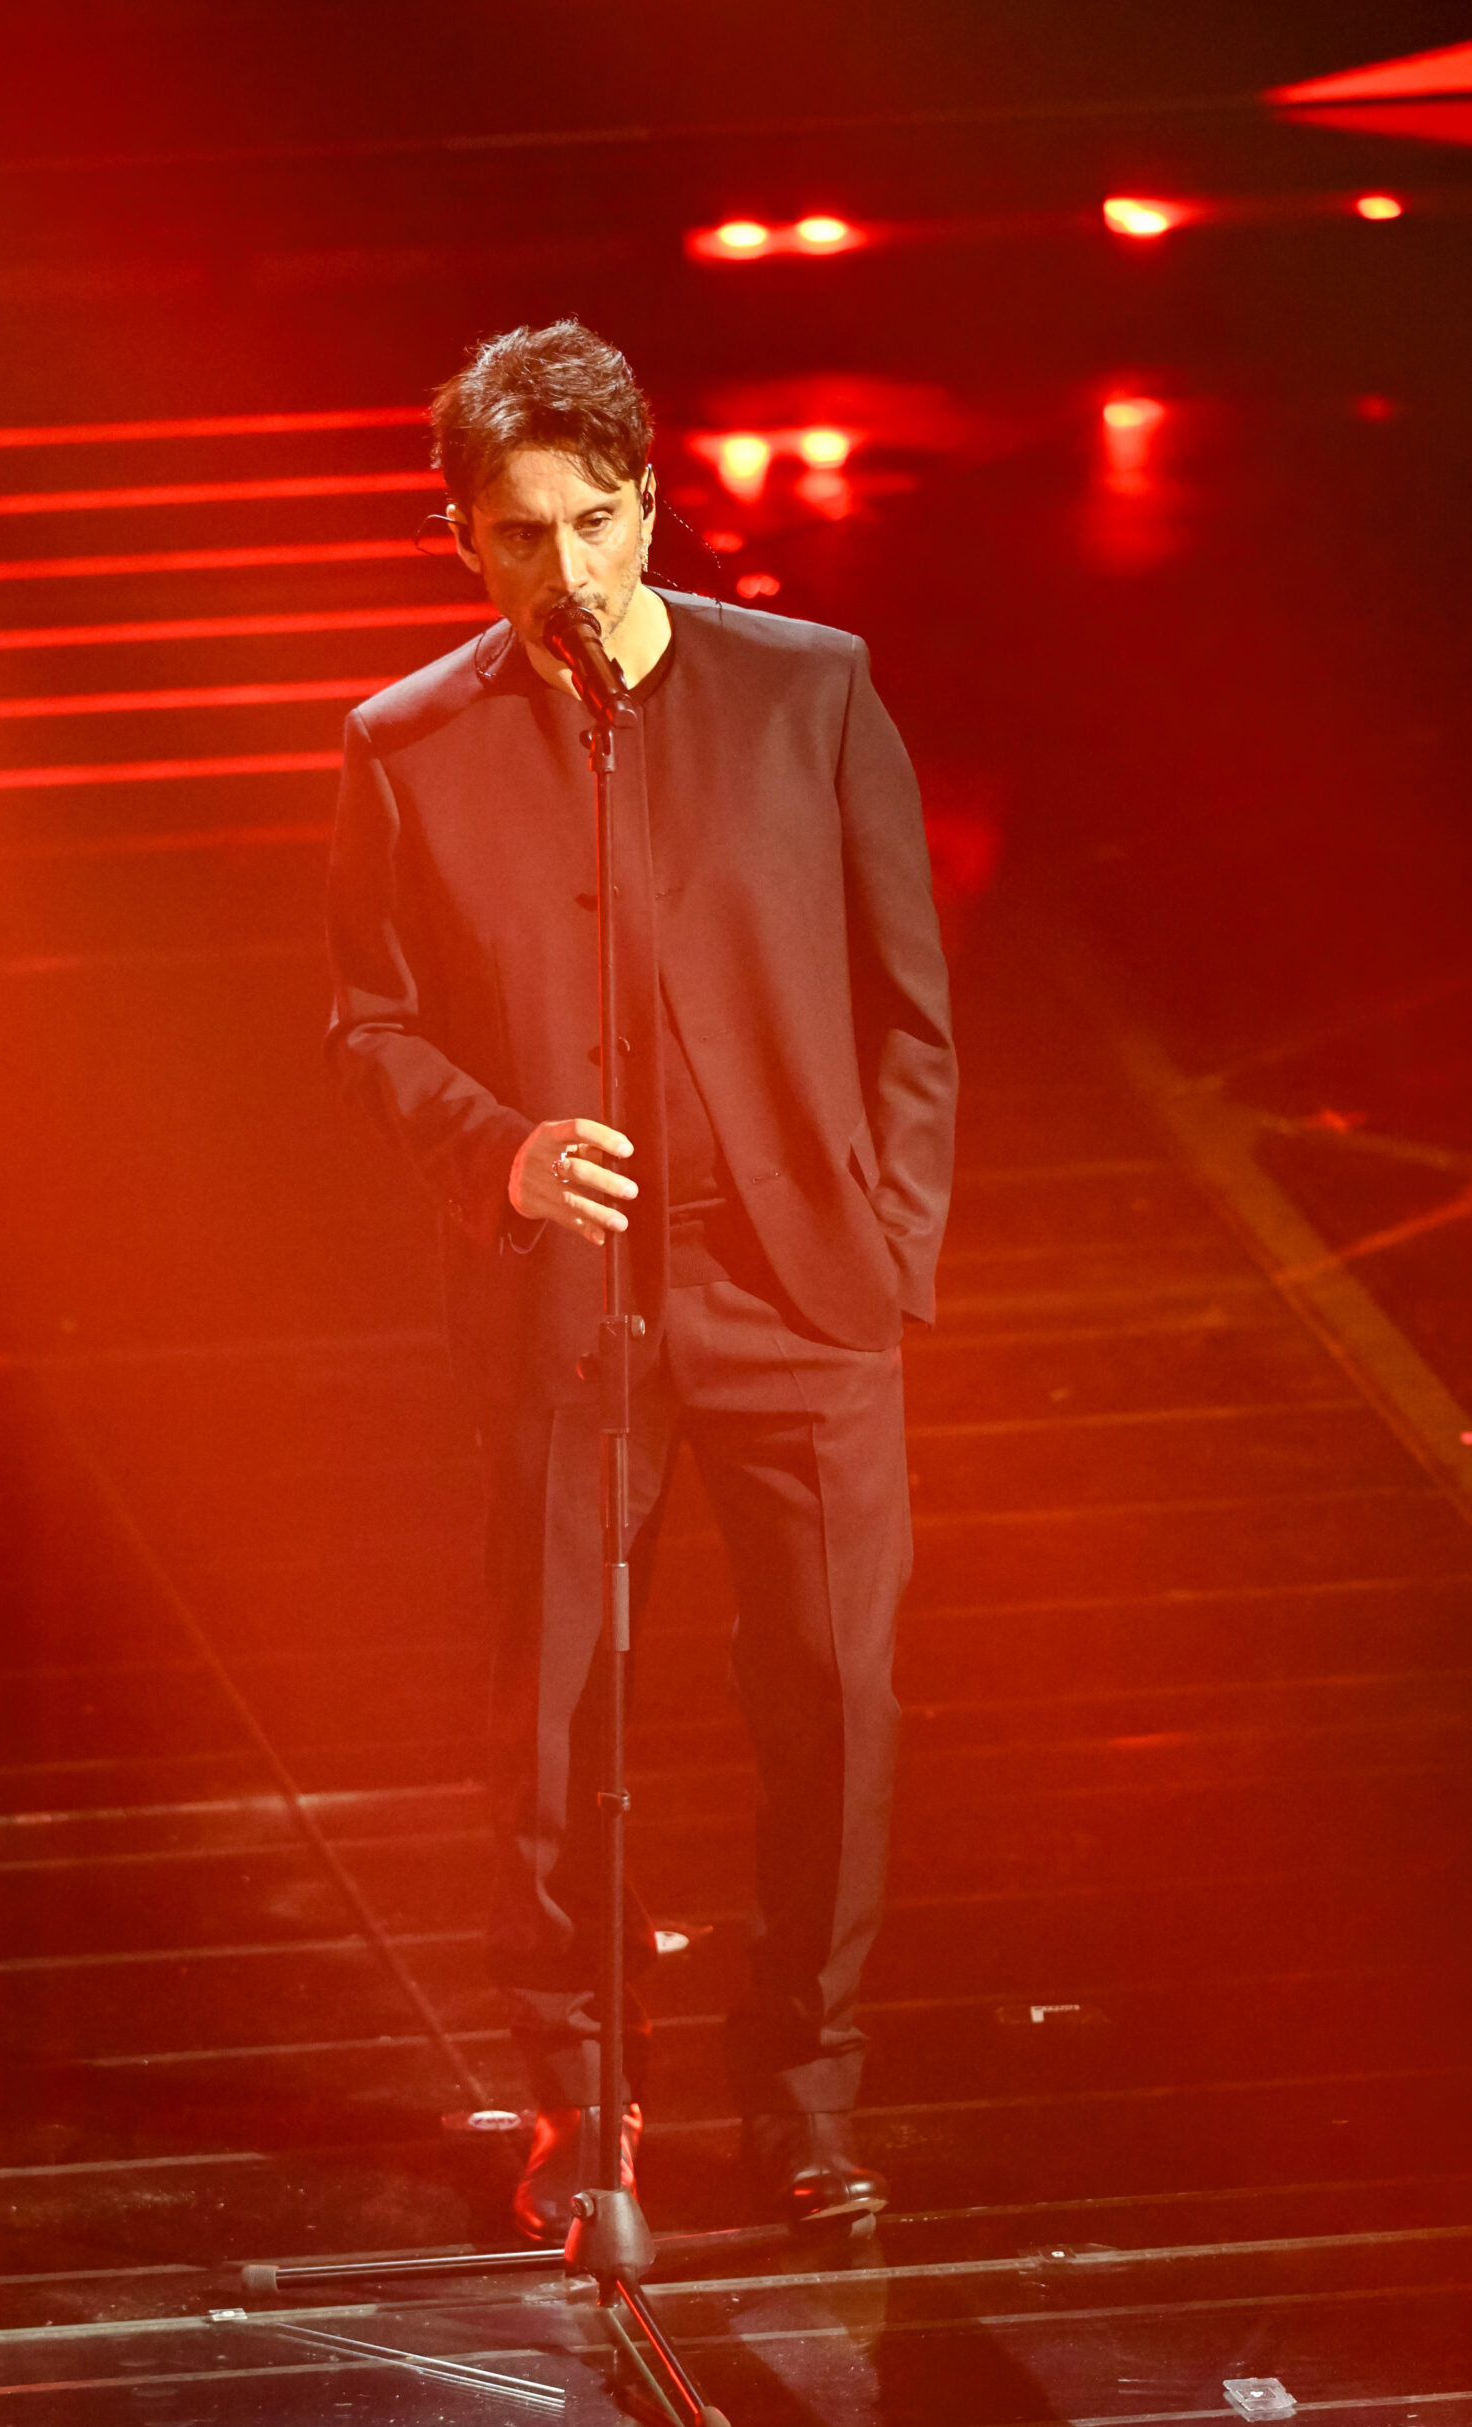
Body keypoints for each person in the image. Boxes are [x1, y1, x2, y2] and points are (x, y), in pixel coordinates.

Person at [326, 319, 956, 2242]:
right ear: (463, 539)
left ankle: (807, 2092)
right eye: (521, 534)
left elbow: (910, 1003)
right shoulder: (409, 746)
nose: (567, 569)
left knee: (835, 1700)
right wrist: (499, 1156)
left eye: (594, 522)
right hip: (569, 1308)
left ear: (650, 508)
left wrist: (888, 1253)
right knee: (558, 1726)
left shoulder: (808, 691)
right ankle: (579, 2098)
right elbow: (367, 1026)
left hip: (799, 1296)